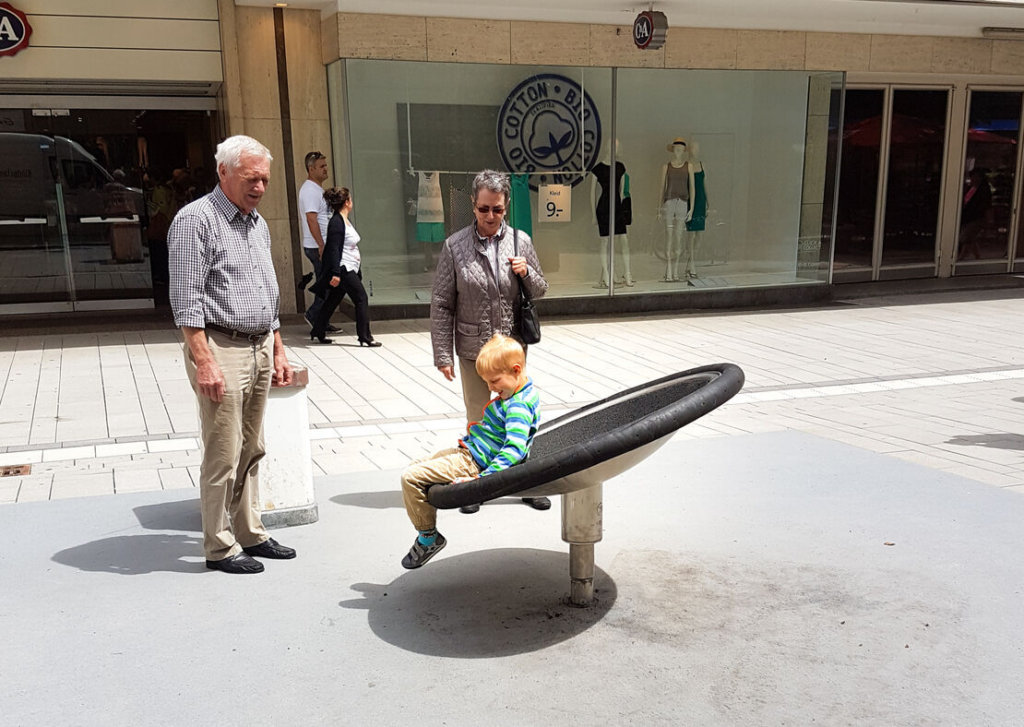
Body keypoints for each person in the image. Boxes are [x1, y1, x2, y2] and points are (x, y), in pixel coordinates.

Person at [168, 135, 297, 575]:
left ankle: (250, 531)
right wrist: (204, 360)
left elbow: (267, 292)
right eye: (251, 178)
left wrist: (278, 348)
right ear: (223, 172)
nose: (259, 187)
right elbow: (186, 301)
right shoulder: (195, 221)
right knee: (223, 451)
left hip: (260, 345)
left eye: (264, 179)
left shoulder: (256, 223)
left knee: (252, 447)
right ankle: (219, 546)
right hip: (220, 347)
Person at [431, 169, 551, 514]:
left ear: (506, 206)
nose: (490, 216)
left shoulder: (520, 241)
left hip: (511, 349)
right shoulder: (455, 246)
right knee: (479, 421)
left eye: (497, 209)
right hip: (473, 350)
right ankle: (477, 486)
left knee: (519, 419)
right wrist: (443, 354)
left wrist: (526, 272)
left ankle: (526, 482)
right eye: (483, 209)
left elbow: (540, 289)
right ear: (473, 204)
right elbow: (441, 303)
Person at [400, 334, 541, 569]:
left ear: (516, 370)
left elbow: (515, 449)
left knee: (410, 478)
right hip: (469, 452)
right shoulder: (520, 392)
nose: (490, 388)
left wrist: (482, 479)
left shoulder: (518, 405)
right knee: (415, 466)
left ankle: (428, 537)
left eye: (494, 381)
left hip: (474, 462)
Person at [308, 187, 380, 347]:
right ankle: (365, 336)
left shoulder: (343, 220)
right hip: (343, 268)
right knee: (361, 298)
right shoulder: (336, 223)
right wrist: (335, 273)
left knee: (334, 299)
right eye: (350, 199)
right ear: (346, 202)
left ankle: (318, 329)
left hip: (349, 267)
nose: (351, 202)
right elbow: (333, 249)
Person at [299, 151, 340, 332]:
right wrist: (321, 244)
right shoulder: (310, 190)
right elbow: (311, 219)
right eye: (321, 166)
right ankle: (315, 315)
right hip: (317, 246)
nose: (325, 169)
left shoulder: (316, 189)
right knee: (328, 284)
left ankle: (321, 319)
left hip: (321, 245)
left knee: (329, 284)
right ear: (311, 169)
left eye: (325, 165)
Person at [957, 168, 992, 261]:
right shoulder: (970, 188)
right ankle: (977, 256)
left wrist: (988, 219)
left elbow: (987, 205)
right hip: (967, 217)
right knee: (971, 237)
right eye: (972, 177)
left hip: (977, 217)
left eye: (975, 177)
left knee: (966, 237)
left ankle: (962, 256)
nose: (973, 179)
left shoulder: (984, 190)